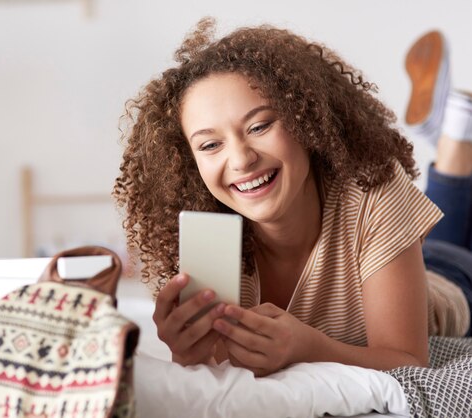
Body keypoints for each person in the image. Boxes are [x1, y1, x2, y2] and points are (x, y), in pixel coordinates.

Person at [112, 19, 472, 377]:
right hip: (396, 253)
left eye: (259, 126)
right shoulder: (205, 237)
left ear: (306, 121)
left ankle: (455, 143)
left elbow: (408, 360)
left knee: (447, 247)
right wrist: (190, 354)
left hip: (451, 279)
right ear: (190, 164)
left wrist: (309, 349)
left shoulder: (370, 186)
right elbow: (222, 372)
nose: (240, 160)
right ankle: (452, 132)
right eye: (210, 145)